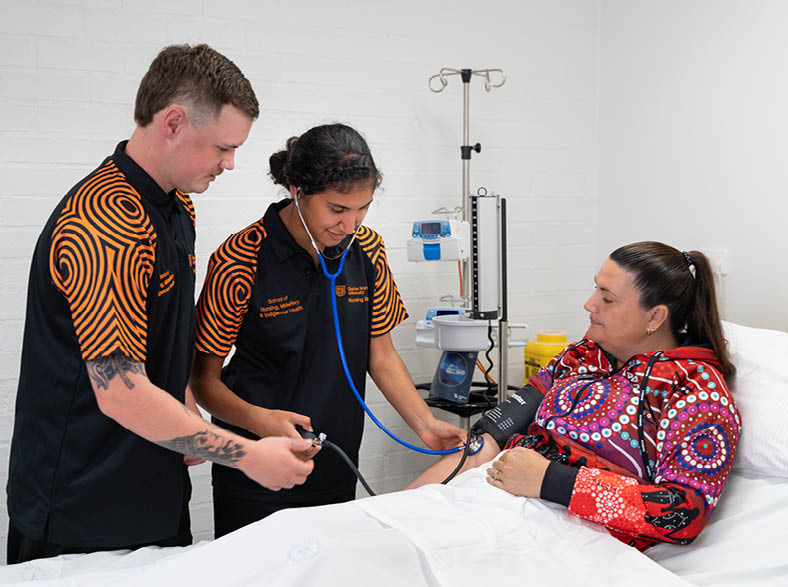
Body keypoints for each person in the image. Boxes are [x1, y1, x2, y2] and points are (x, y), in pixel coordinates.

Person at [6, 44, 315, 565]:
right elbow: (120, 391)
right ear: (173, 121)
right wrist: (246, 456)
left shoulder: (177, 207)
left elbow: (159, 335)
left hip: (154, 488)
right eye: (223, 147)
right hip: (81, 505)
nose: (231, 163)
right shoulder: (104, 220)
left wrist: (186, 413)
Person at [191, 123, 466, 537]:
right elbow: (202, 379)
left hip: (335, 464)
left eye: (363, 208)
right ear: (297, 192)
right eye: (338, 209)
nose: (350, 224)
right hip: (257, 469)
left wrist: (424, 424)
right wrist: (259, 420)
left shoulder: (367, 249)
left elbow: (382, 354)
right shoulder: (240, 258)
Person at [408, 242, 741, 550]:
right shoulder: (582, 355)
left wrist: (550, 481)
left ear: (655, 317)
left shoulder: (694, 390)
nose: (589, 304)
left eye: (607, 299)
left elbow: (683, 513)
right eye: (596, 287)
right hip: (490, 498)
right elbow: (493, 437)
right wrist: (407, 504)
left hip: (571, 535)